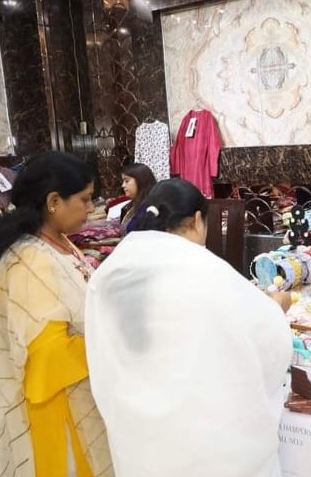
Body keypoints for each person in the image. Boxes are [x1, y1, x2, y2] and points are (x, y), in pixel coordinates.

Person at [85, 178, 292, 477]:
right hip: (204, 445)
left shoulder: (111, 270)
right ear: (197, 220)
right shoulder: (204, 270)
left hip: (140, 439)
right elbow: (268, 338)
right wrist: (276, 306)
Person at [0, 152, 113, 476]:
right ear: (53, 202)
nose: (91, 208)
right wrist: (114, 342)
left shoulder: (58, 241)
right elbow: (48, 356)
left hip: (81, 390)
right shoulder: (29, 259)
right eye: (85, 199)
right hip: (58, 405)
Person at [118, 162, 156, 234]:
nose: (123, 185)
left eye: (126, 181)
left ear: (140, 181)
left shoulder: (149, 207)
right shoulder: (134, 204)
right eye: (123, 181)